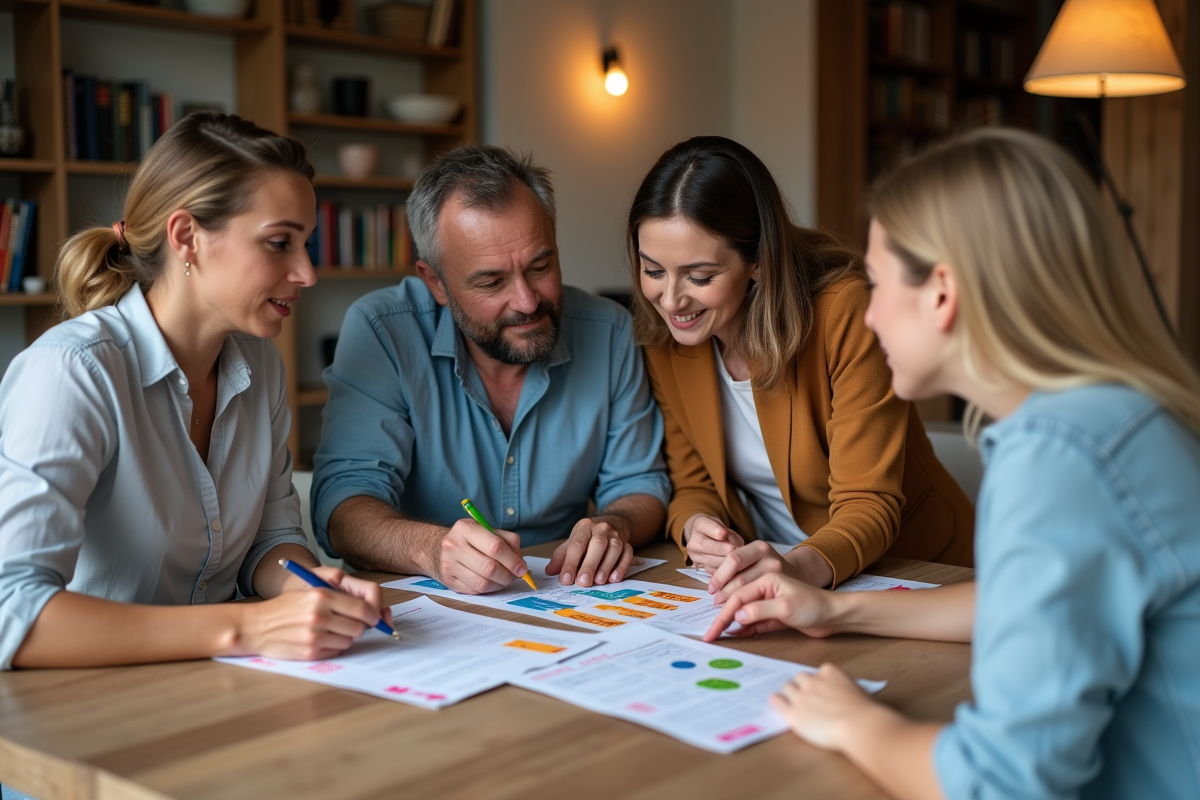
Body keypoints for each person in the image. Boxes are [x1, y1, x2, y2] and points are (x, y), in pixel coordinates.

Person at [706, 128, 1200, 800]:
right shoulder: (1107, 418)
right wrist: (836, 611)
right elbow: (1012, 604)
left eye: (877, 285)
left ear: (942, 292)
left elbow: (1000, 784)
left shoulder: (1059, 459)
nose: (870, 317)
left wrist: (856, 723)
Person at [0, 113, 389, 672]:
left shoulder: (261, 366)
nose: (306, 271)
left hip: (218, 689)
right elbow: (14, 610)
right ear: (186, 237)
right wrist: (249, 627)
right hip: (86, 703)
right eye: (279, 243)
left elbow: (270, 541)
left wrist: (306, 588)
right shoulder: (72, 371)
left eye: (306, 244)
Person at [311, 144, 670, 594]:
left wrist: (613, 525)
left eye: (541, 266)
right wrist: (432, 549)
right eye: (491, 282)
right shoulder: (383, 331)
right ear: (436, 282)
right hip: (433, 609)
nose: (526, 301)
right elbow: (342, 506)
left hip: (567, 597)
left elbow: (640, 482)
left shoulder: (609, 330)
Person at [628, 136, 973, 599]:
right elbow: (693, 483)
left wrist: (793, 570)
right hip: (781, 577)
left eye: (700, 276)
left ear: (758, 263)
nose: (670, 300)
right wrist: (698, 527)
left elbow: (866, 504)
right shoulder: (666, 337)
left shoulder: (843, 313)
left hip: (918, 573)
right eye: (652, 271)